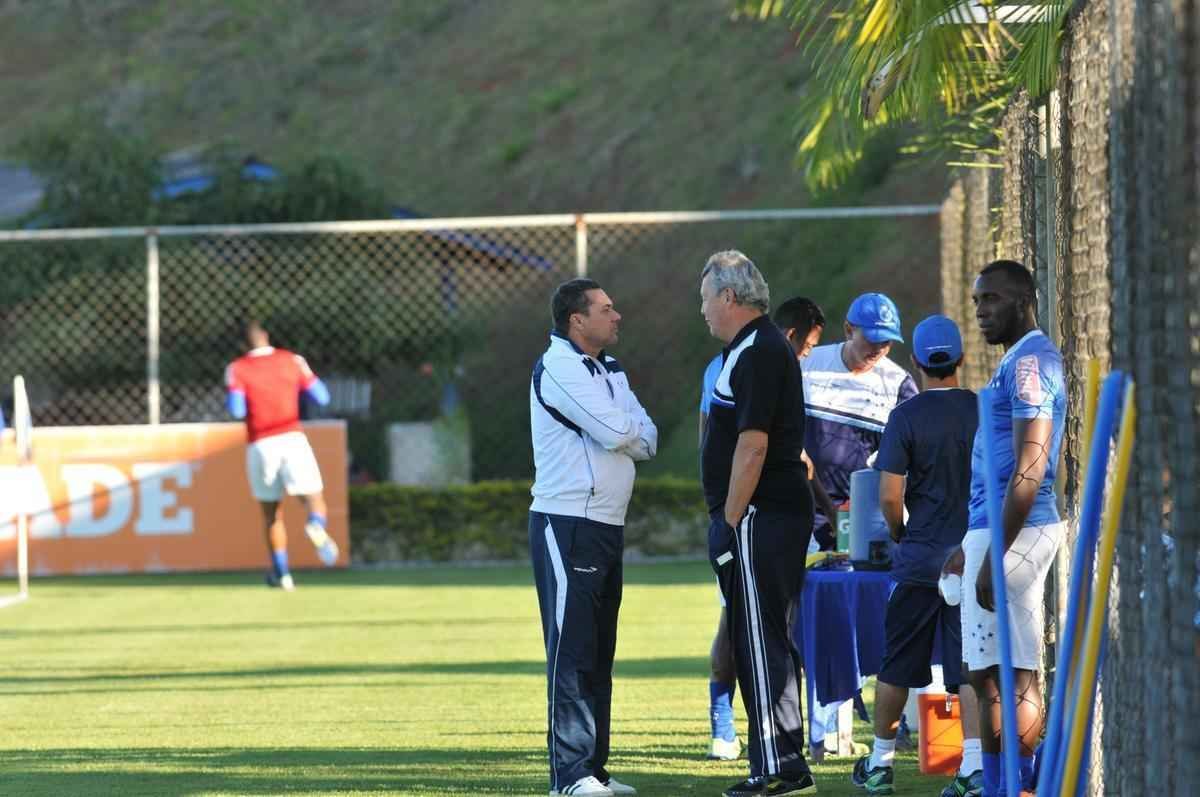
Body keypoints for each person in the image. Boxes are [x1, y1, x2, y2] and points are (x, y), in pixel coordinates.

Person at [528, 278, 657, 797]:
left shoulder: (609, 370)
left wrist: (627, 429)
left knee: (600, 649)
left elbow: (648, 435)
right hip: (568, 523)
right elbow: (623, 434)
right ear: (577, 320)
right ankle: (569, 776)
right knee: (573, 649)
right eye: (606, 309)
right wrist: (626, 430)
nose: (617, 315)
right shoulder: (559, 367)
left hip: (606, 523)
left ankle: (593, 769)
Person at [850, 314, 984, 797]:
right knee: (968, 667)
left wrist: (902, 533)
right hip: (971, 558)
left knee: (898, 665)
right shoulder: (983, 408)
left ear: (916, 361)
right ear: (962, 358)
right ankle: (971, 769)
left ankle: (880, 764)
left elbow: (889, 495)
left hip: (920, 559)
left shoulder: (906, 416)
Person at [699, 251, 816, 797]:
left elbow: (753, 444)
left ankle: (779, 767)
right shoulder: (748, 349)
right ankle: (780, 762)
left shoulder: (761, 351)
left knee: (761, 637)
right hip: (761, 513)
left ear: (728, 297)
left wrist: (728, 517)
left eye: (705, 299)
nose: (702, 311)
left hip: (760, 513)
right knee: (756, 635)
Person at [961, 260, 1066, 797]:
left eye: (991, 300)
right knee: (991, 674)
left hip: (1016, 533)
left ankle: (1016, 786)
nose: (980, 311)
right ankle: (1006, 784)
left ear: (1024, 302)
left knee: (1011, 672)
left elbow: (1031, 464)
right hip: (1000, 528)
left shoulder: (1030, 365)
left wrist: (992, 554)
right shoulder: (1020, 362)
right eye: (977, 300)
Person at [799, 292, 918, 755]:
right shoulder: (809, 366)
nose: (879, 351)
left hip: (870, 522)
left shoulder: (898, 382)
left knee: (886, 616)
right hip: (810, 515)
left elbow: (907, 457)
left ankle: (895, 722)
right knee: (820, 619)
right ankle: (822, 727)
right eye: (872, 341)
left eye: (888, 344)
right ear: (848, 330)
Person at [224, 321, 338, 591]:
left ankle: (283, 574)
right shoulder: (292, 360)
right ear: (266, 336)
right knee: (313, 500)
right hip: (292, 438)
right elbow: (322, 397)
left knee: (271, 514)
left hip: (261, 445)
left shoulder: (237, 369)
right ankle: (315, 524)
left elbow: (237, 410)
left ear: (243, 345)